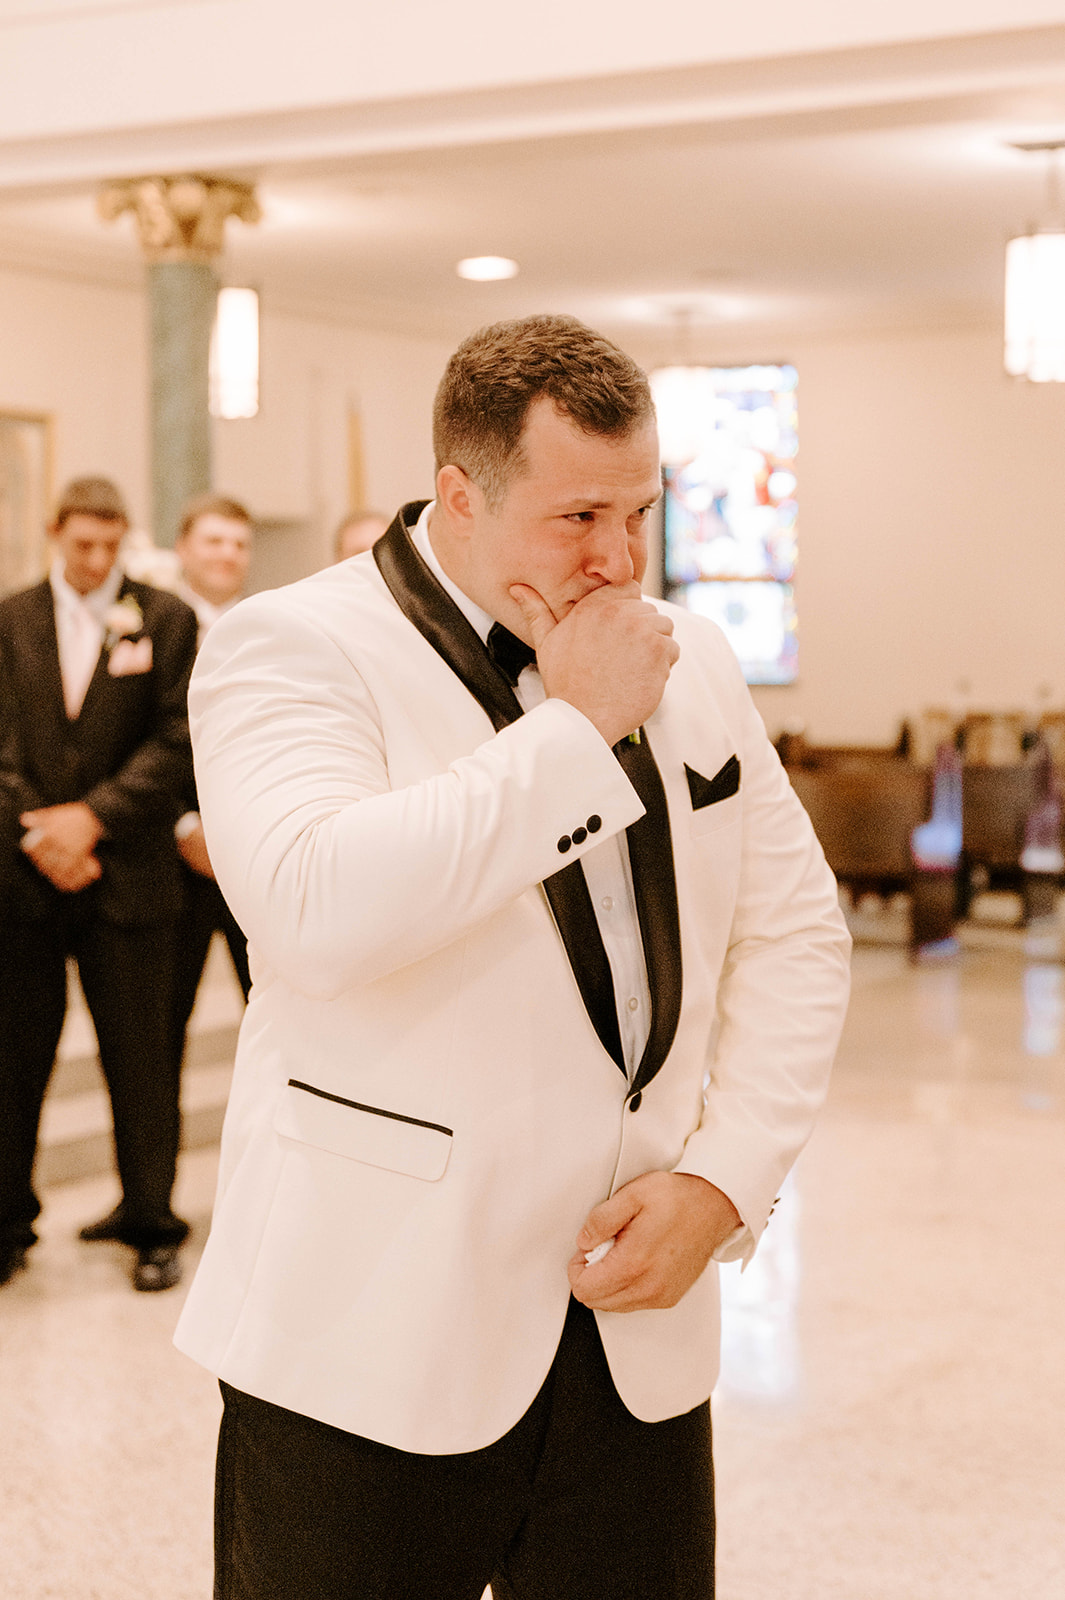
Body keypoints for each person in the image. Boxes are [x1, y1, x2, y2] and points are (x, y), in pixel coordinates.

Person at [175, 314, 851, 1598]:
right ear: (461, 496)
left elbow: (796, 933)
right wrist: (581, 725)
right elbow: (317, 911)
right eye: (578, 516)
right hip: (367, 1333)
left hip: (635, 1332)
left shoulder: (691, 655)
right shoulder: (290, 646)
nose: (620, 557)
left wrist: (723, 1180)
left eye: (641, 510)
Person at [0, 476, 199, 1292]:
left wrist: (95, 819)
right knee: (13, 1063)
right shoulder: (8, 619)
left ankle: (150, 1221)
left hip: (130, 879)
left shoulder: (164, 618)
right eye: (81, 543)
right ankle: (8, 1225)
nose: (95, 560)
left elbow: (181, 738)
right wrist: (43, 831)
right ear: (54, 533)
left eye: (109, 545)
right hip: (23, 880)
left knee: (144, 1059)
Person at [169, 494, 254, 1075]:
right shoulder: (153, 624)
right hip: (173, 855)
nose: (228, 554)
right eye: (214, 540)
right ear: (183, 549)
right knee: (161, 1022)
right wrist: (184, 822)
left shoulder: (268, 626)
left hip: (252, 849)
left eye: (239, 544)